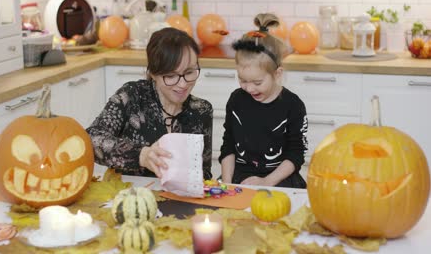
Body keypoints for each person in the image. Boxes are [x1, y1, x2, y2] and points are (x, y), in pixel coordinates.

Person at [87, 28, 213, 179]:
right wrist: (141, 155)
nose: (182, 84)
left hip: (178, 199)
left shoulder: (202, 111)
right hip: (129, 195)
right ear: (153, 73)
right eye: (171, 76)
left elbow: (203, 174)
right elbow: (91, 140)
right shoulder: (132, 95)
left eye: (189, 72)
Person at [219, 13, 308, 188]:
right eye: (242, 80)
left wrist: (267, 182)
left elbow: (296, 155)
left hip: (279, 179)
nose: (249, 88)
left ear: (277, 74)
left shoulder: (293, 106)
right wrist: (227, 184)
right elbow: (228, 145)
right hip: (239, 176)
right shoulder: (236, 100)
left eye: (257, 82)